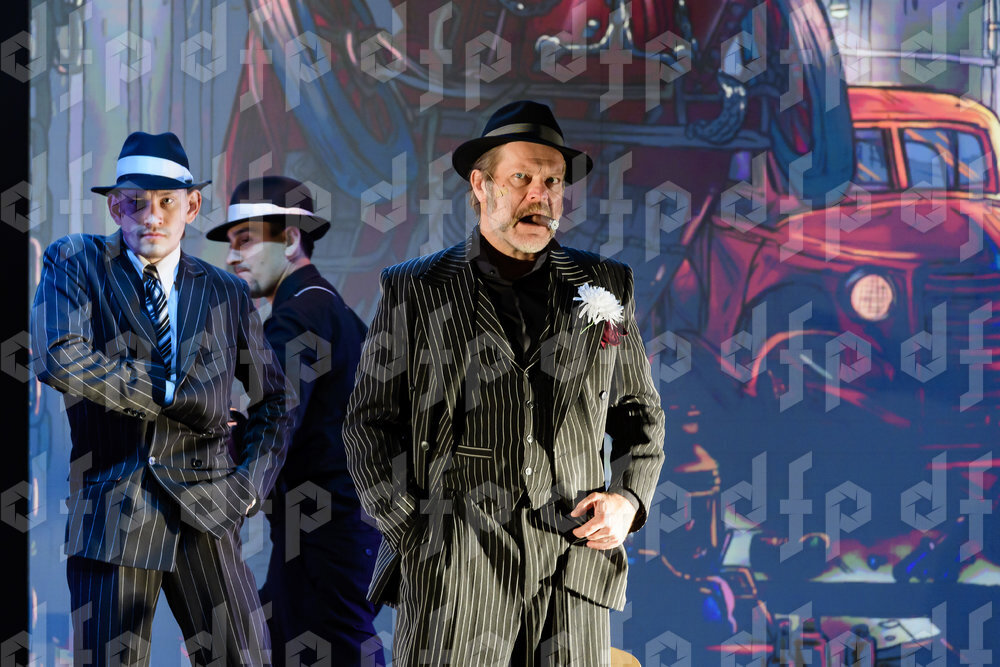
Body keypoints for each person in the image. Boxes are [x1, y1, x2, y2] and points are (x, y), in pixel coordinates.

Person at [343, 100, 666, 665]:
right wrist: (416, 531)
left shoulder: (605, 284)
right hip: (452, 578)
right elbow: (369, 423)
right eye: (521, 178)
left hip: (572, 572)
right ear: (481, 185)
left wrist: (628, 499)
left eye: (552, 182)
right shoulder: (415, 288)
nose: (539, 195)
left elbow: (641, 414)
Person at [31, 131, 290, 665]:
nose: (151, 217)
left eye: (167, 202)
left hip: (209, 508)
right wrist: (168, 390)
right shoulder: (77, 261)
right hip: (114, 513)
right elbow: (59, 357)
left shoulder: (224, 290)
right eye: (135, 203)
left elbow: (276, 403)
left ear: (191, 207)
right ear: (114, 206)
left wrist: (247, 490)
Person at [205, 176, 384, 665]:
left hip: (324, 535)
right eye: (231, 243)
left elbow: (279, 420)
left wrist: (228, 451)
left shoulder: (298, 315)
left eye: (245, 240)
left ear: (289, 239)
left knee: (338, 649)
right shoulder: (326, 306)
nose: (231, 257)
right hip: (333, 530)